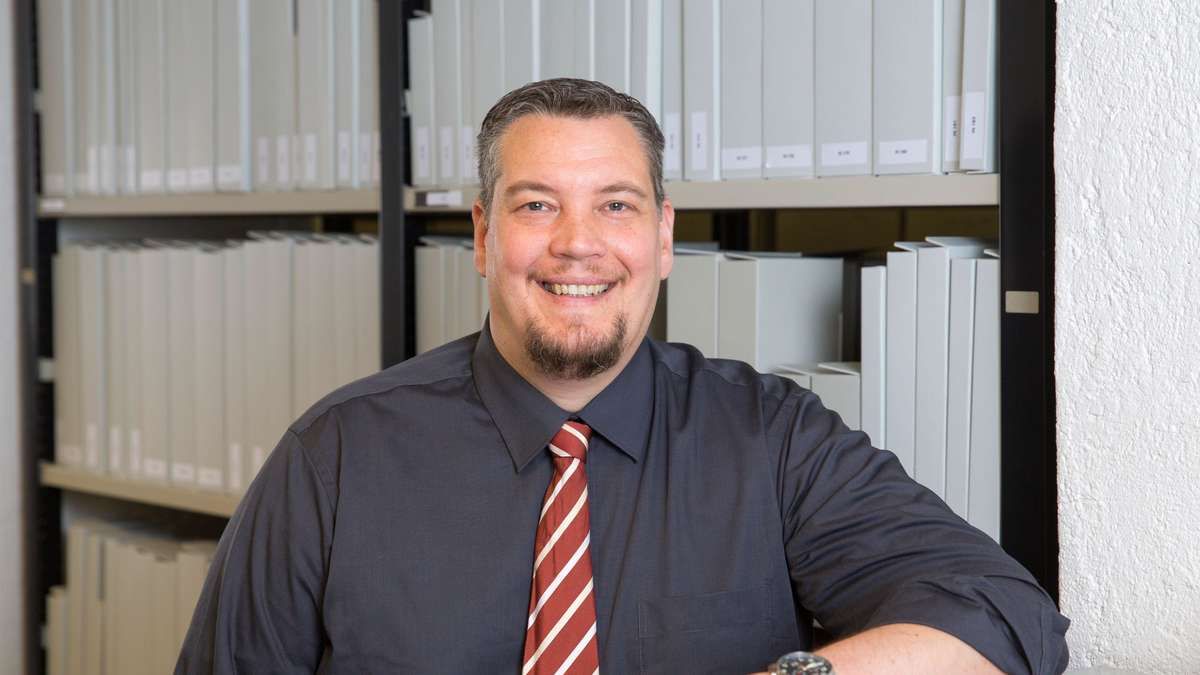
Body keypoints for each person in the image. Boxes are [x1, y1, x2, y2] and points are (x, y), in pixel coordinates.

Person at [176, 78, 1069, 674]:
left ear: (662, 235)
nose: (578, 243)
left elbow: (1004, 613)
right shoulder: (335, 456)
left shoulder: (775, 439)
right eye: (537, 206)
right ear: (484, 237)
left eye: (616, 204)